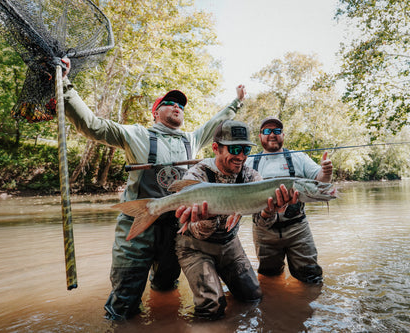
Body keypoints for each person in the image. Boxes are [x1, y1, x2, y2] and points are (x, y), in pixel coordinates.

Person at [60, 58, 248, 320]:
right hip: (137, 228)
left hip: (175, 230)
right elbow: (91, 125)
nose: (177, 107)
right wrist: (65, 86)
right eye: (170, 103)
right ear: (155, 112)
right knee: (123, 303)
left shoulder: (192, 139)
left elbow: (218, 121)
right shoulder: (135, 134)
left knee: (165, 289)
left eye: (181, 105)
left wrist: (236, 101)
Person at [174, 119, 298, 319]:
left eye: (245, 150)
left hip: (230, 244)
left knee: (253, 297)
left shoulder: (251, 176)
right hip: (195, 247)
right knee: (211, 307)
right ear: (216, 148)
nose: (241, 156)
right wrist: (209, 217)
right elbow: (195, 230)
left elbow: (263, 223)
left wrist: (271, 211)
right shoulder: (197, 175)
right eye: (235, 149)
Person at [245, 116, 333, 284]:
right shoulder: (248, 162)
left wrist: (326, 172)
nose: (272, 134)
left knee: (311, 279)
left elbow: (319, 182)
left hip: (297, 229)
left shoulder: (298, 157)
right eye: (267, 131)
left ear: (283, 135)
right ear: (260, 136)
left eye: (277, 131)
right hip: (264, 231)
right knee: (270, 279)